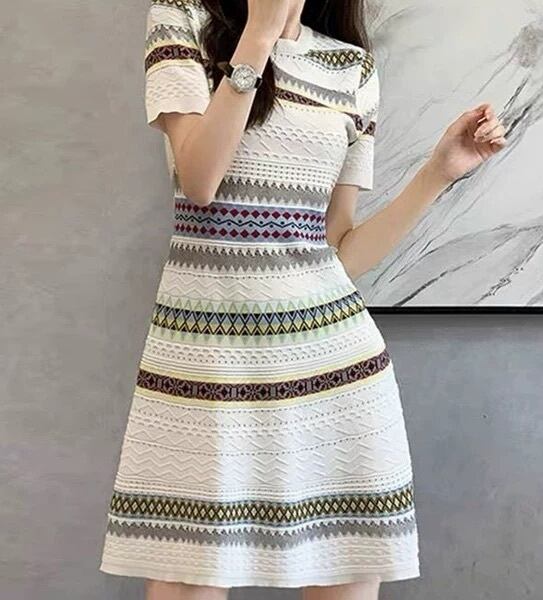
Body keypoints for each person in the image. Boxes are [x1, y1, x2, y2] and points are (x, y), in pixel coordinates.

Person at [99, 0, 508, 598]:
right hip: (209, 363)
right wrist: (261, 32)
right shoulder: (182, 20)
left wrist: (438, 174)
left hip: (334, 365)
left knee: (348, 570)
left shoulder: (351, 67)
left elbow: (339, 252)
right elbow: (200, 181)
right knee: (189, 575)